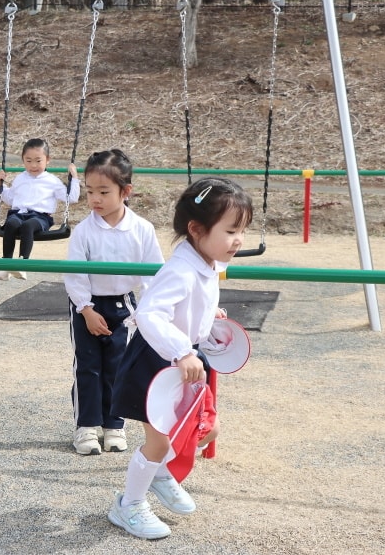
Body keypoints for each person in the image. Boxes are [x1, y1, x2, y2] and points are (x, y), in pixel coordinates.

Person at [107, 177, 253, 539]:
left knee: (205, 428)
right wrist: (183, 351)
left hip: (182, 360)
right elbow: (150, 314)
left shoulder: (208, 262)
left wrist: (209, 318)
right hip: (157, 361)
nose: (239, 239)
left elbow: (189, 305)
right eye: (231, 231)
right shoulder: (181, 270)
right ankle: (128, 505)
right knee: (158, 441)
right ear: (196, 229)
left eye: (242, 230)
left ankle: (159, 472)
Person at [63, 150, 164, 456]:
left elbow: (153, 275)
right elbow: (75, 274)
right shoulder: (84, 231)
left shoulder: (142, 229)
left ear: (126, 191)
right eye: (90, 191)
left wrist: (147, 312)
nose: (95, 199)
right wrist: (86, 309)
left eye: (104, 192)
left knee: (119, 367)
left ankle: (114, 425)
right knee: (88, 367)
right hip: (87, 307)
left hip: (123, 306)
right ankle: (86, 426)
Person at [0, 138, 80, 281]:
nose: (33, 165)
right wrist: (0, 184)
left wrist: (75, 177)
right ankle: (6, 264)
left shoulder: (52, 181)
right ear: (23, 160)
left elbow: (71, 197)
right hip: (19, 213)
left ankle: (22, 264)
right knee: (11, 223)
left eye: (38, 161)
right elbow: (10, 199)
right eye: (28, 161)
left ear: (47, 160)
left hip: (40, 217)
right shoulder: (19, 179)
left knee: (28, 226)